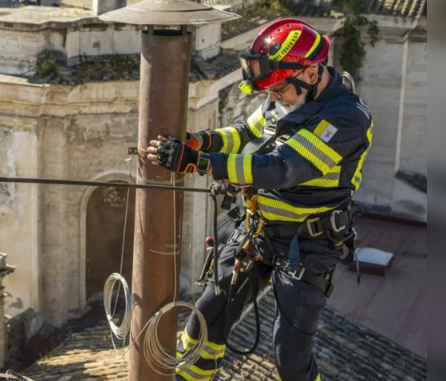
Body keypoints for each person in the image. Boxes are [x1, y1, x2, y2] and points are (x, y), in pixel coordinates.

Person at [147, 19, 373, 381]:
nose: (272, 97)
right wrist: (200, 142)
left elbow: (282, 168)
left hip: (309, 244)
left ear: (312, 74)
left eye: (278, 89)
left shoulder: (346, 119)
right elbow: (245, 133)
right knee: (204, 322)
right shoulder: (285, 97)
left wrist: (199, 163)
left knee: (289, 356)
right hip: (258, 232)